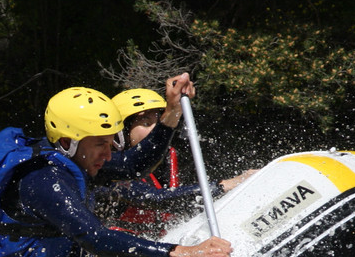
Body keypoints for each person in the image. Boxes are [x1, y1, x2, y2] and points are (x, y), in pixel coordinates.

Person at [0, 74, 232, 257]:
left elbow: (133, 165)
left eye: (111, 141)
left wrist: (172, 112)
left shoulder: (74, 156)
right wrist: (184, 253)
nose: (108, 153)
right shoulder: (42, 180)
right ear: (68, 142)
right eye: (101, 144)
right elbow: (97, 240)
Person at [106, 87, 257, 237]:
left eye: (158, 122)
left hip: (164, 241)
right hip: (121, 252)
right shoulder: (108, 169)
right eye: (146, 124)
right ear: (122, 134)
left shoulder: (173, 157)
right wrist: (224, 185)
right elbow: (157, 198)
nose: (155, 130)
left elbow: (188, 199)